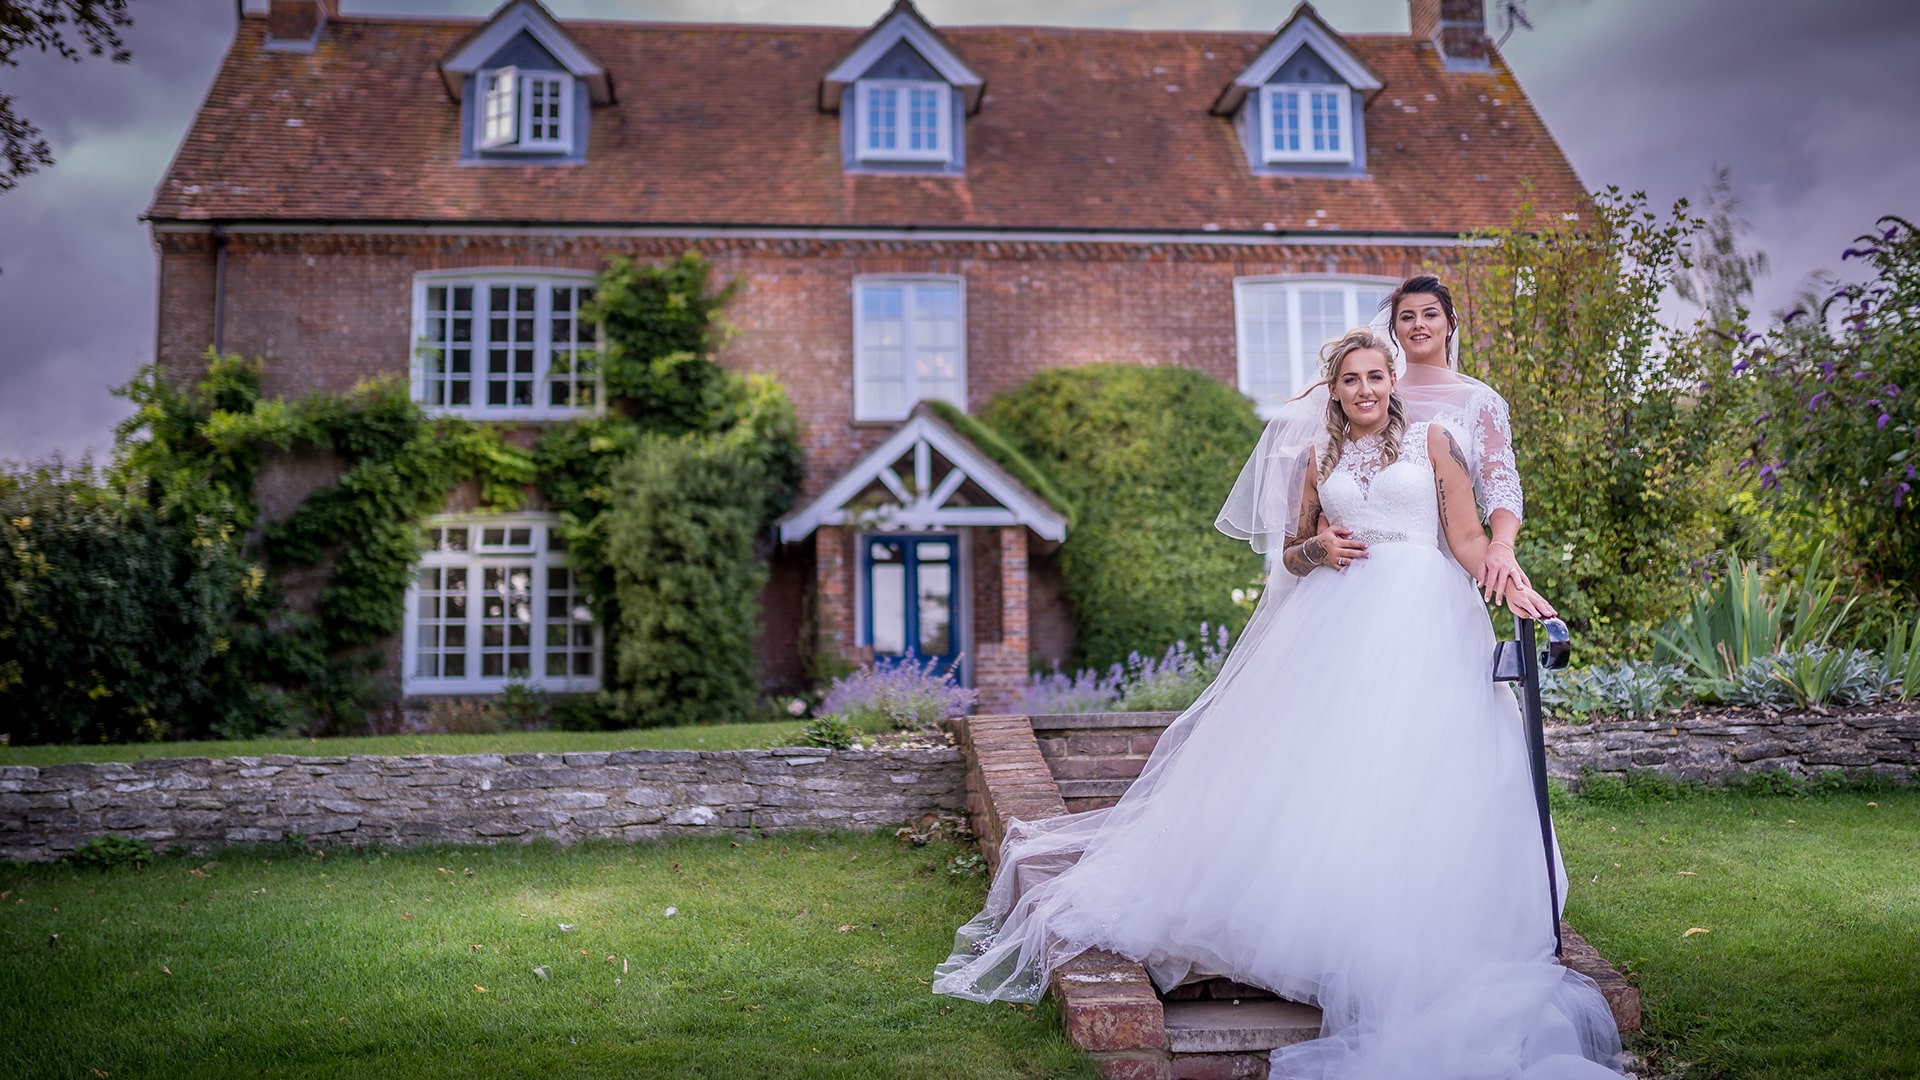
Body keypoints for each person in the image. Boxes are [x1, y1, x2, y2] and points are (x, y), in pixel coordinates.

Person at [933, 328, 1622, 1078]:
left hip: (1425, 621)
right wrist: (1319, 551)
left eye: (1375, 376)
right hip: (1337, 625)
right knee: (1327, 770)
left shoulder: (1435, 441)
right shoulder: (1314, 457)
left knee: (1418, 767)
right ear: (1334, 389)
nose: (1364, 390)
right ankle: (1328, 923)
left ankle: (1408, 921)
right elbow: (1293, 551)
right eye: (1351, 379)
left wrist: (1508, 580)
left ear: (1394, 379)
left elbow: (1464, 538)